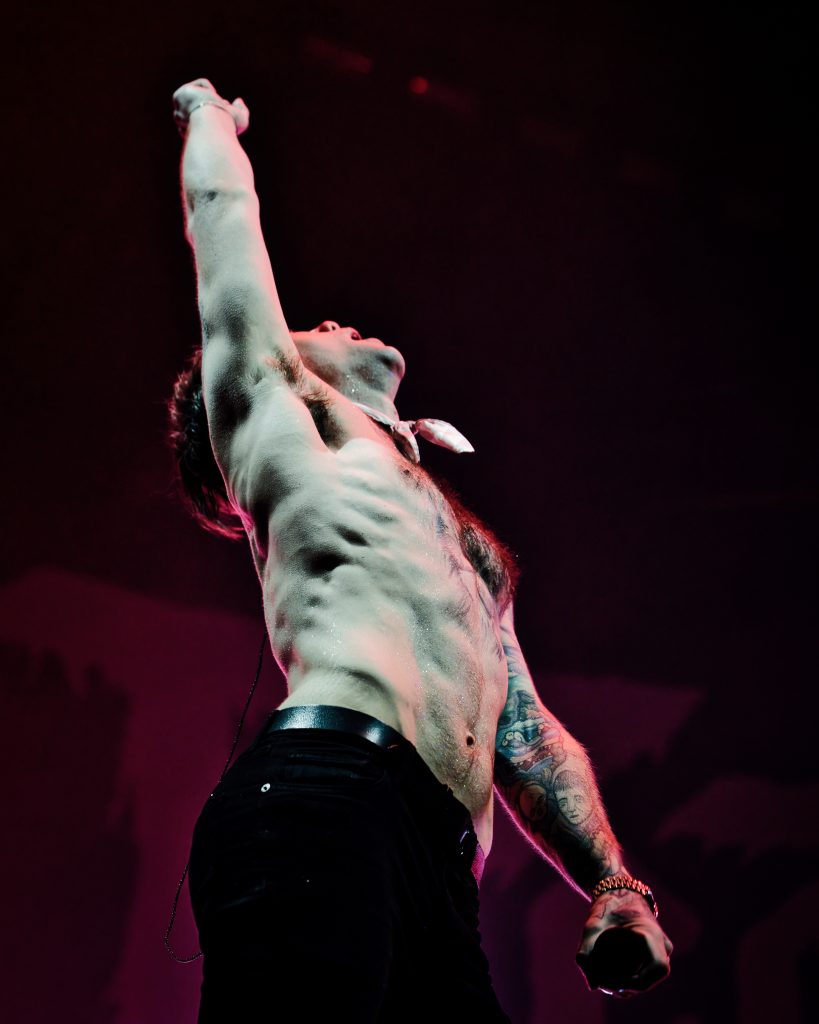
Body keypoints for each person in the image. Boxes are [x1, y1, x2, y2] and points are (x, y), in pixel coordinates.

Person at [167, 77, 673, 1022]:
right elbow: (222, 214)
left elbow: (524, 730)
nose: (332, 322)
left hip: (440, 866)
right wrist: (209, 114)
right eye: (309, 328)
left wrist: (614, 883)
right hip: (326, 794)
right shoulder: (277, 417)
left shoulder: (455, 539)